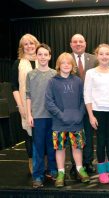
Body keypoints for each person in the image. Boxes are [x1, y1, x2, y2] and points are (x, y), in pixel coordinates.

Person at [45, 52, 90, 187]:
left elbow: (84, 99)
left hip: (76, 122)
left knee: (77, 147)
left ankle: (80, 169)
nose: (66, 65)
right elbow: (49, 102)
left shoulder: (78, 81)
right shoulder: (52, 82)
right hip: (59, 124)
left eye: (68, 63)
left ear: (72, 66)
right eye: (63, 63)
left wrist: (80, 114)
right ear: (59, 65)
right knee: (60, 149)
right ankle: (61, 172)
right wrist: (61, 115)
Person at [84, 44, 109, 184]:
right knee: (101, 142)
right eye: (101, 54)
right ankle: (102, 172)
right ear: (97, 55)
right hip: (97, 112)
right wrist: (91, 115)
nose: (104, 56)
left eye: (107, 54)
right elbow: (87, 95)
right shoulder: (90, 73)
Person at [26, 43, 57, 188]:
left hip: (53, 117)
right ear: (36, 56)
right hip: (37, 116)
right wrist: (29, 115)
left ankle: (53, 171)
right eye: (40, 54)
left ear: (50, 56)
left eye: (46, 54)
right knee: (38, 147)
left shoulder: (54, 74)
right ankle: (37, 175)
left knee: (52, 146)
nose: (43, 57)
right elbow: (28, 96)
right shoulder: (31, 75)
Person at [10, 33, 40, 175]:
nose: (29, 46)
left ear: (36, 44)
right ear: (22, 47)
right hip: (25, 106)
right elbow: (14, 86)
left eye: (31, 43)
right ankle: (32, 163)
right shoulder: (18, 63)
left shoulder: (43, 60)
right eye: (26, 44)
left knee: (43, 135)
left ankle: (43, 163)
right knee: (29, 136)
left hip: (42, 107)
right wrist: (21, 106)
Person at [70, 33, 97, 176]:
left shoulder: (93, 59)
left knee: (88, 134)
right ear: (71, 44)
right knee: (74, 135)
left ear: (85, 43)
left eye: (81, 41)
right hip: (72, 106)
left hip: (90, 104)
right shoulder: (66, 59)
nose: (78, 44)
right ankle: (75, 164)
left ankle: (88, 162)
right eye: (75, 42)